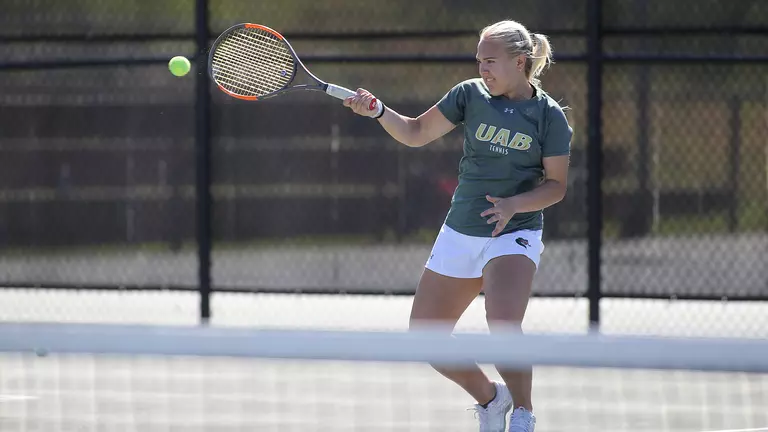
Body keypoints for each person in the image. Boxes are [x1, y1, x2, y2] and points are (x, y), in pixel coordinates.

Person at [343, 19, 572, 432]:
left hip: (515, 232)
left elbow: (556, 186)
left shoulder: (549, 116)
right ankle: (491, 398)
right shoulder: (469, 95)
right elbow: (414, 132)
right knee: (426, 337)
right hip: (461, 229)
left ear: (520, 62)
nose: (483, 69)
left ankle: (523, 412)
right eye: (479, 60)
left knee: (503, 324)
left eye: (491, 61)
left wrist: (512, 205)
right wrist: (377, 111)